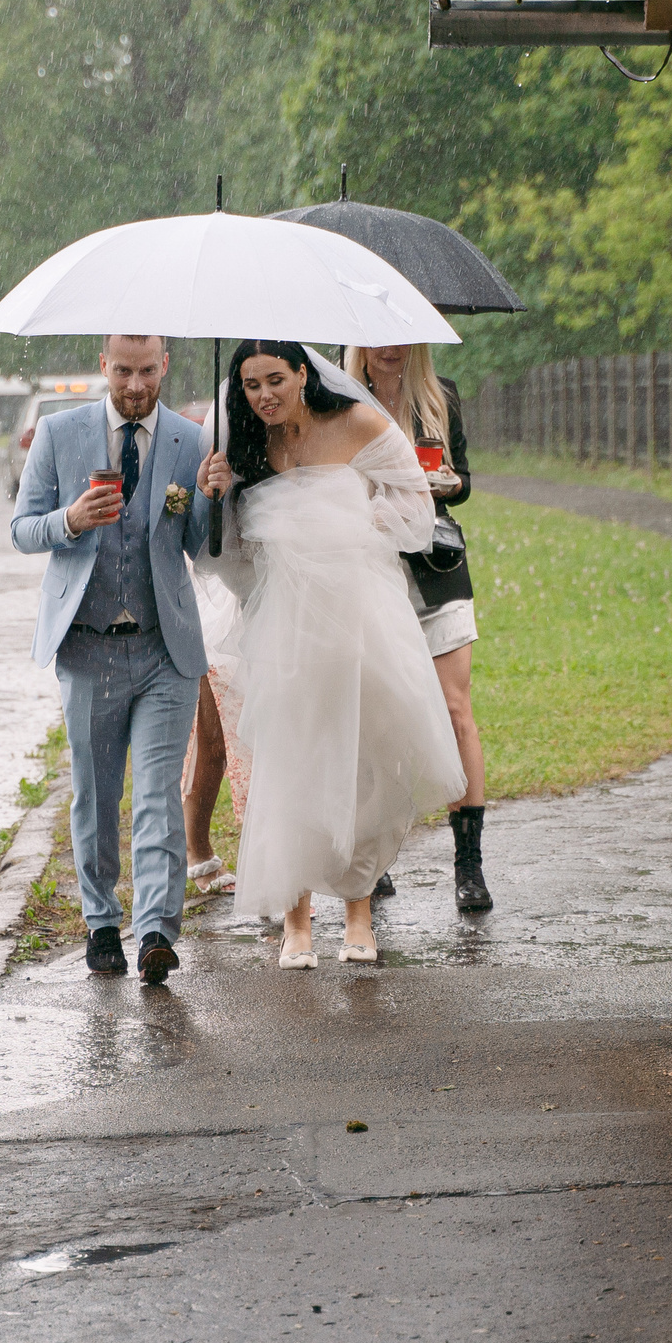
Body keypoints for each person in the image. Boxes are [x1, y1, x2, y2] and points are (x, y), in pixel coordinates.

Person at [197, 340, 465, 968]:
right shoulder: (245, 452)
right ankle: (295, 922)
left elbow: (413, 504)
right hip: (285, 628)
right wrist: (216, 494)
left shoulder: (357, 422)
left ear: (302, 375)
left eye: (275, 379)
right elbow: (226, 556)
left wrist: (347, 530)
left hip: (359, 616)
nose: (264, 395)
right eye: (252, 384)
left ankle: (358, 912)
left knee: (359, 762)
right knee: (292, 762)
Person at [10, 335, 214, 985]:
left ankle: (156, 928)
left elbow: (201, 544)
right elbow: (21, 528)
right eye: (122, 371)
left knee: (157, 793)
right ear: (103, 366)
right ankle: (101, 921)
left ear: (165, 366)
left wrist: (211, 495)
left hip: (162, 646)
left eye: (146, 371)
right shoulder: (59, 432)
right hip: (87, 643)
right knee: (96, 795)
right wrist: (69, 519)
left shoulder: (189, 440)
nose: (134, 385)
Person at [345, 342, 493, 911]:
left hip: (436, 565)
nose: (391, 349)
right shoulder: (340, 400)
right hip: (373, 566)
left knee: (457, 712)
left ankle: (469, 864)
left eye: (401, 337)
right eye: (378, 338)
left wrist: (450, 484)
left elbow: (463, 479)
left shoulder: (441, 396)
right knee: (373, 718)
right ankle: (375, 857)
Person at [174, 398, 245, 897]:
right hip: (215, 591)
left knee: (266, 735)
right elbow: (193, 531)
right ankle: (194, 848)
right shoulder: (218, 424)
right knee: (215, 732)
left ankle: (268, 851)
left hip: (271, 581)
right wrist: (207, 493)